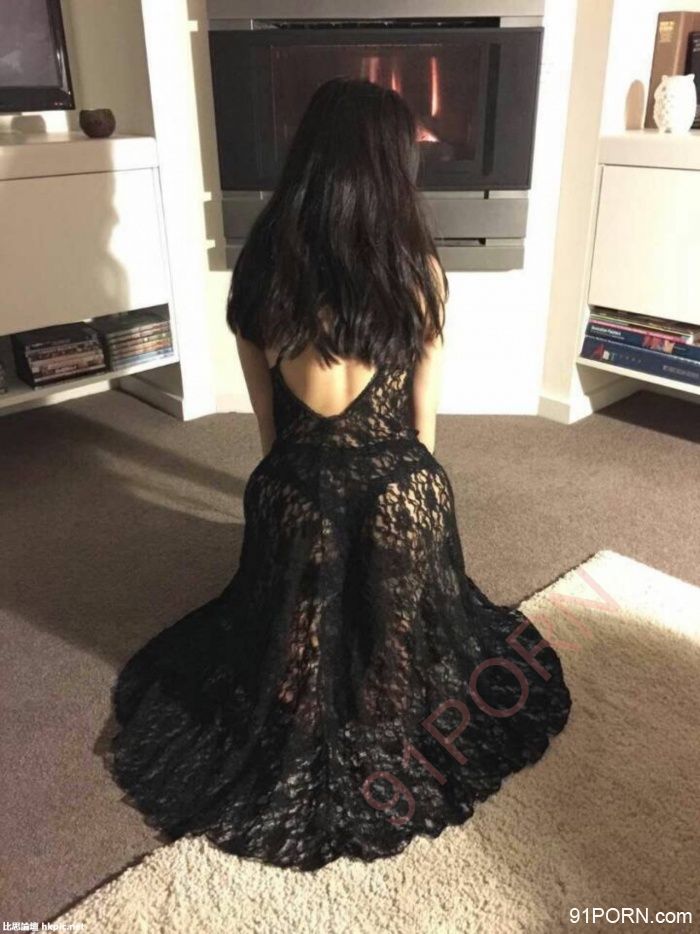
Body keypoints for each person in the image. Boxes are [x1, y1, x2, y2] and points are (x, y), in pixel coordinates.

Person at [108, 77, 571, 872]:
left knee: (294, 601)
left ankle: (309, 667)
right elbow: (422, 430)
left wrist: (299, 509)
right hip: (402, 494)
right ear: (390, 170)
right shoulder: (420, 273)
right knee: (404, 570)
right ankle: (384, 680)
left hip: (296, 494)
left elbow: (271, 432)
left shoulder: (257, 275)